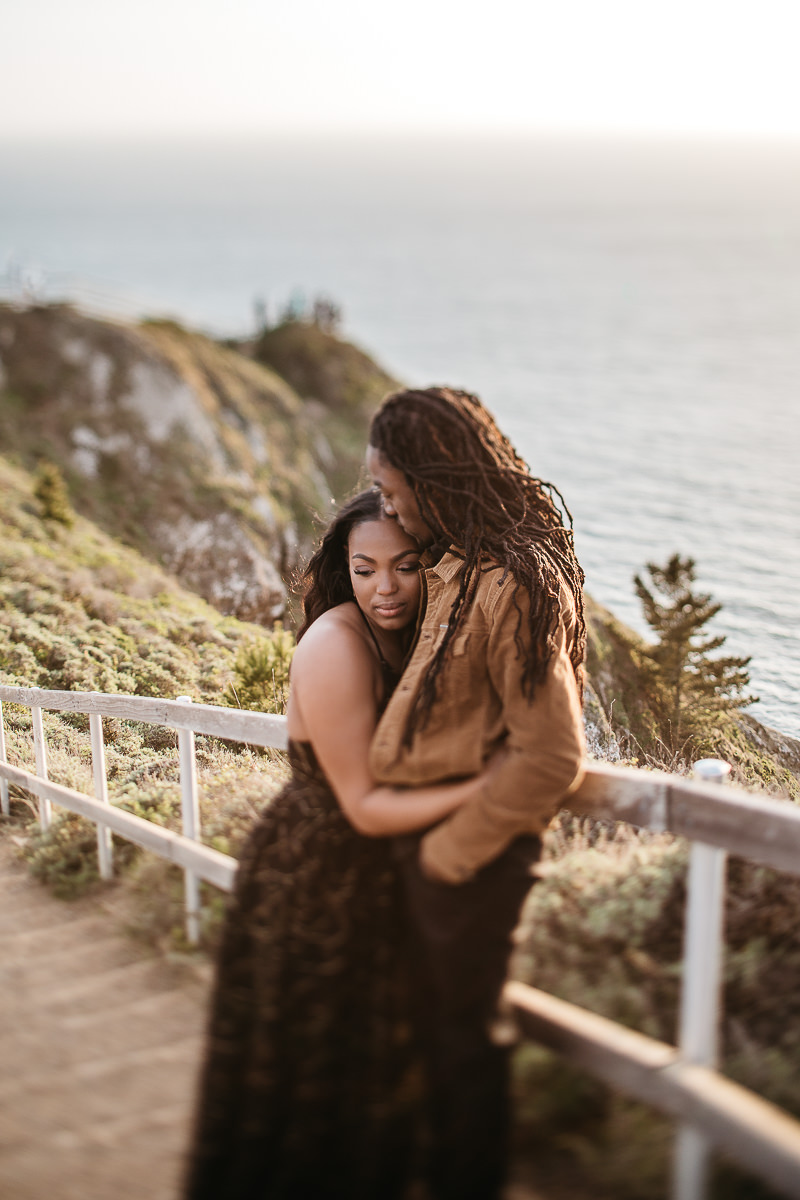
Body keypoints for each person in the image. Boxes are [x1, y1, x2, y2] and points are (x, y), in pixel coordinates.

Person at [183, 489, 502, 1200]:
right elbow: (359, 805)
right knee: (309, 1097)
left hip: (376, 888)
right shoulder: (335, 642)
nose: (383, 587)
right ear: (343, 569)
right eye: (364, 569)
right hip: (314, 884)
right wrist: (496, 784)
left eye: (405, 566)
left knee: (369, 1098)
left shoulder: (413, 637)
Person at [366, 386, 587, 1200]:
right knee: (422, 1058)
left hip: (468, 866)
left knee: (461, 1065)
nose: (387, 503)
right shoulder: (459, 567)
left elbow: (553, 755)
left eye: (393, 489)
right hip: (428, 851)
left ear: (434, 475)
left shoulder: (516, 584)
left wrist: (446, 859)